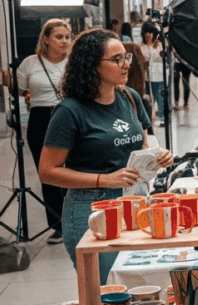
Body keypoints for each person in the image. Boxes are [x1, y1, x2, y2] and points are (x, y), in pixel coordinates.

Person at [39, 29, 173, 284]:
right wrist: (105, 179)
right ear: (91, 65)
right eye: (117, 59)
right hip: (91, 207)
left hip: (133, 202)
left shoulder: (130, 98)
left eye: (126, 58)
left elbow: (141, 147)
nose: (125, 65)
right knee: (109, 292)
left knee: (137, 286)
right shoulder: (70, 110)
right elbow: (47, 171)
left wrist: (157, 157)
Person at [14, 19, 72, 241]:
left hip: (68, 115)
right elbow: (20, 89)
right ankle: (57, 223)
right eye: (59, 37)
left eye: (67, 37)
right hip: (40, 117)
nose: (64, 41)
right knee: (47, 171)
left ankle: (75, 217)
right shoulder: (30, 63)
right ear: (46, 39)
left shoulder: (73, 62)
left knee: (73, 167)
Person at [141, 22, 165, 122]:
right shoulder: (141, 46)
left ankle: (161, 115)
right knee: (148, 97)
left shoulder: (159, 45)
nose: (148, 35)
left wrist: (154, 49)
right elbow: (145, 58)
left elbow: (159, 57)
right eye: (146, 32)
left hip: (158, 75)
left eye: (150, 32)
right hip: (147, 77)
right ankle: (149, 115)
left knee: (159, 95)